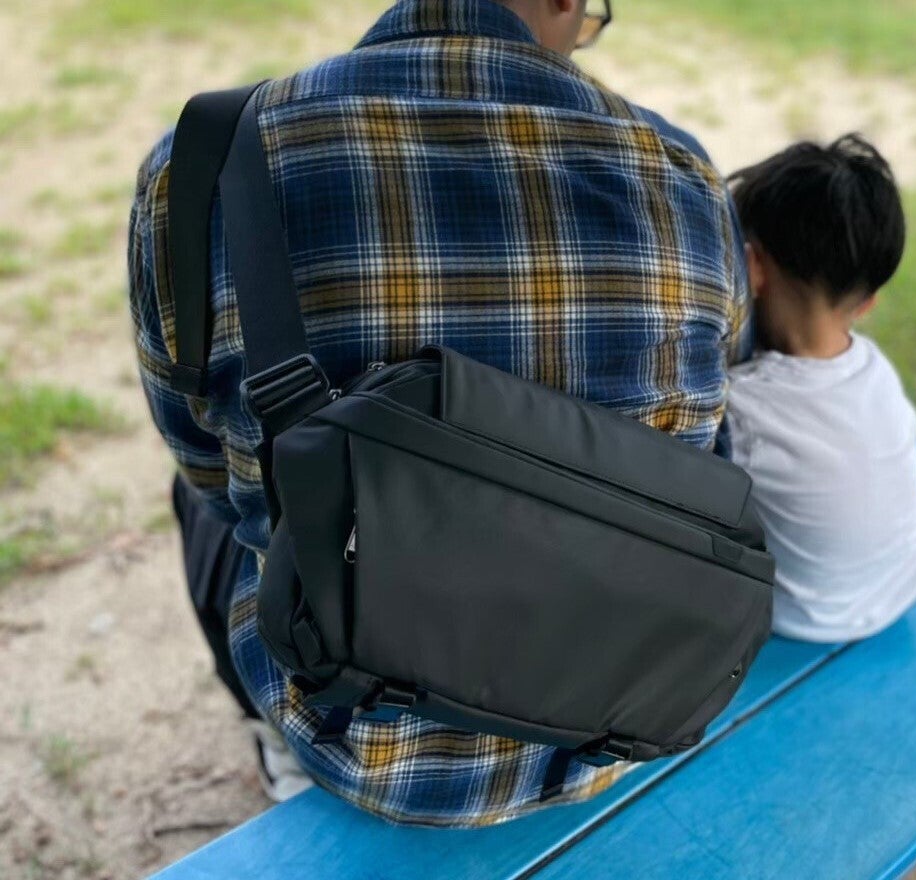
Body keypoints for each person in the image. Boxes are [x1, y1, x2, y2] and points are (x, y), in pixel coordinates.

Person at [129, 0, 749, 826]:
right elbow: (707, 437)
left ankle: (275, 739)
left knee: (215, 492)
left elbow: (206, 463)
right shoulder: (685, 176)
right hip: (610, 719)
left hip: (342, 729)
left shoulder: (210, 158)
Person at [725, 135, 916, 643]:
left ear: (752, 268)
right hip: (907, 573)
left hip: (814, 618)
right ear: (867, 303)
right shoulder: (873, 367)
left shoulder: (741, 408)